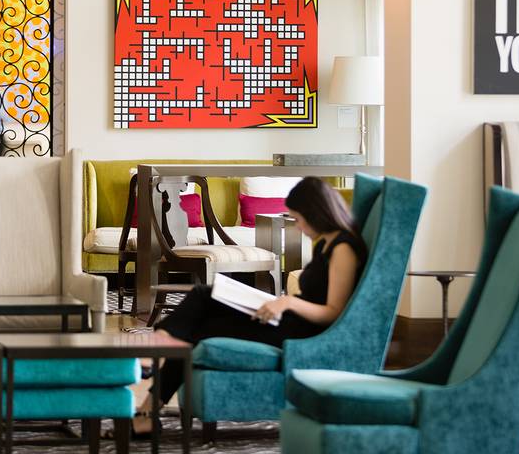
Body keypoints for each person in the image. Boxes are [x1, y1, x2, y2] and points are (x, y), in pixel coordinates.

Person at [136, 177, 368, 435]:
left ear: (317, 212)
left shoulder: (344, 248)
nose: (300, 227)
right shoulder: (327, 242)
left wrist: (288, 301)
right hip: (290, 319)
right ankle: (148, 405)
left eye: (299, 219)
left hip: (300, 332)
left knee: (198, 319)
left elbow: (333, 313)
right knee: (202, 301)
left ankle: (154, 363)